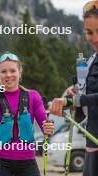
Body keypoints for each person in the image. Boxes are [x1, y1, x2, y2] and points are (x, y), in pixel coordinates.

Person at [0, 52, 54, 176]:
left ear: (20, 72)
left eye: (13, 71)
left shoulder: (33, 96)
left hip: (28, 162)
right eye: (3, 71)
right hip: (1, 162)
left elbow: (46, 129)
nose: (8, 75)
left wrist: (49, 128)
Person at [50, 1, 98, 176]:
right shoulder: (92, 59)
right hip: (92, 141)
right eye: (89, 32)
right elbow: (88, 96)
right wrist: (75, 97)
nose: (94, 38)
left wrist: (78, 99)